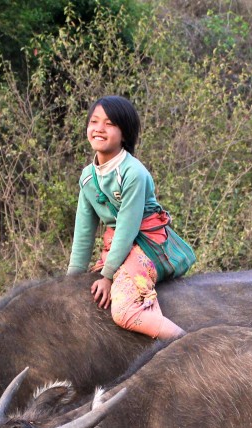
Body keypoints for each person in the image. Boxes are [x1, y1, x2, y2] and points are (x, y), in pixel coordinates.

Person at [66, 95, 186, 340]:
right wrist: (71, 279)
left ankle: (190, 344)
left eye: (109, 124)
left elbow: (127, 228)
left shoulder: (134, 173)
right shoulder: (88, 177)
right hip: (120, 247)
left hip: (147, 245)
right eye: (94, 121)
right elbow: (84, 231)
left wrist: (108, 275)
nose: (99, 128)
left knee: (124, 311)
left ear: (125, 133)